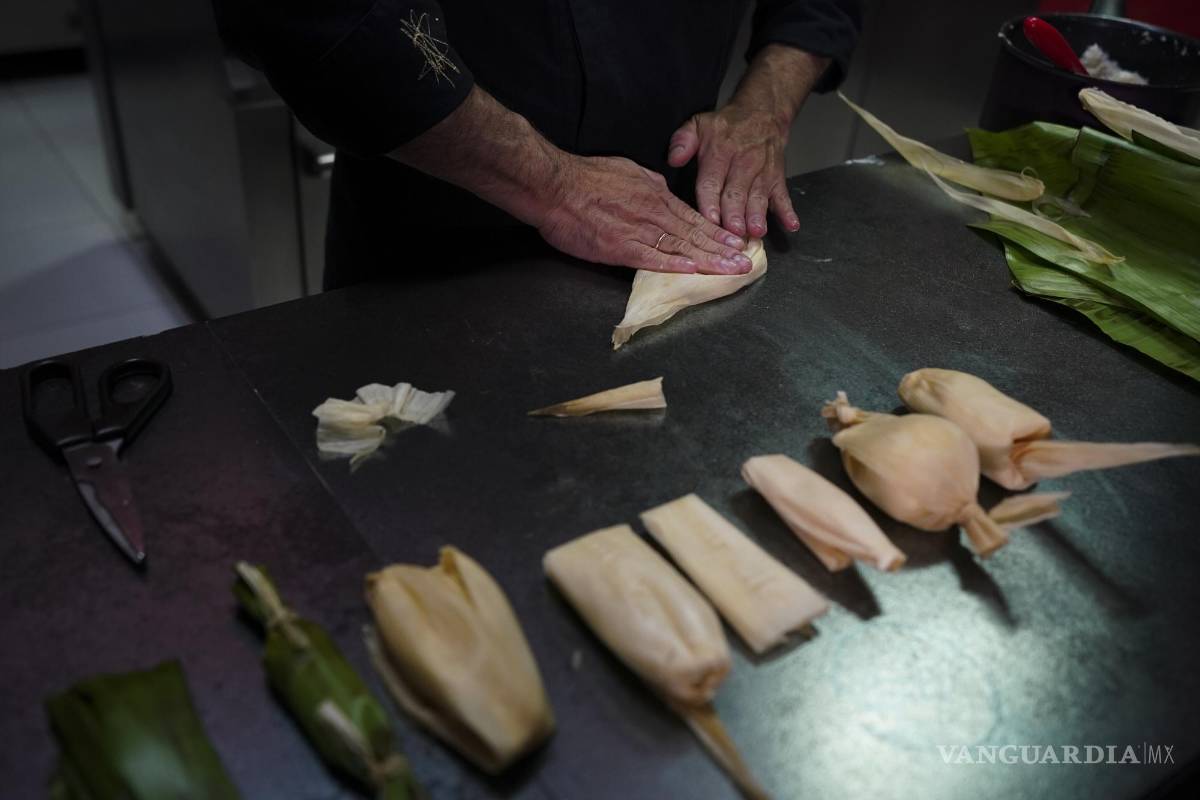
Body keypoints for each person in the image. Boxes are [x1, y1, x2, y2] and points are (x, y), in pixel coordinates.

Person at [213, 1, 861, 289]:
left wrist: (765, 105)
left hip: (674, 214)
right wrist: (553, 184)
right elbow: (313, 13)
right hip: (435, 243)